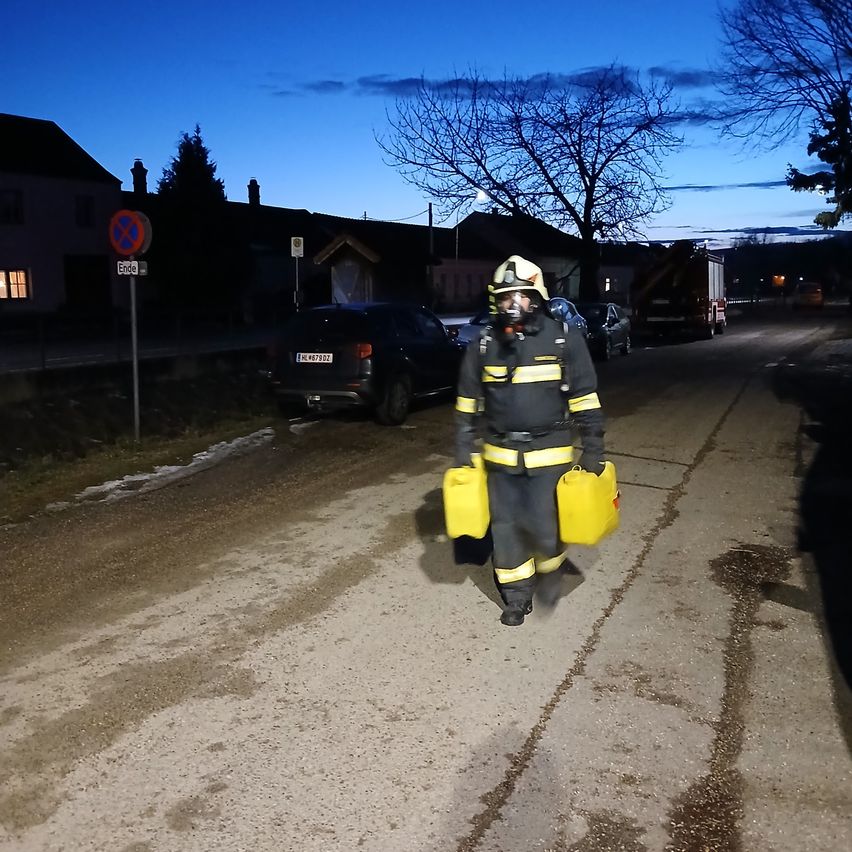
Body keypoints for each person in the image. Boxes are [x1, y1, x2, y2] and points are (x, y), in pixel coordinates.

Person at [454, 255, 607, 626]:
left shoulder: (563, 338)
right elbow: (467, 402)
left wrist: (594, 451)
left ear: (536, 297)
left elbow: (585, 399)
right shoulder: (484, 344)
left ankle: (549, 572)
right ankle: (516, 597)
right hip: (500, 454)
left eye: (522, 296)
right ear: (497, 301)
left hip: (550, 451)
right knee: (505, 526)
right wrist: (462, 448)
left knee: (544, 523)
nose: (514, 304)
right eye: (507, 297)